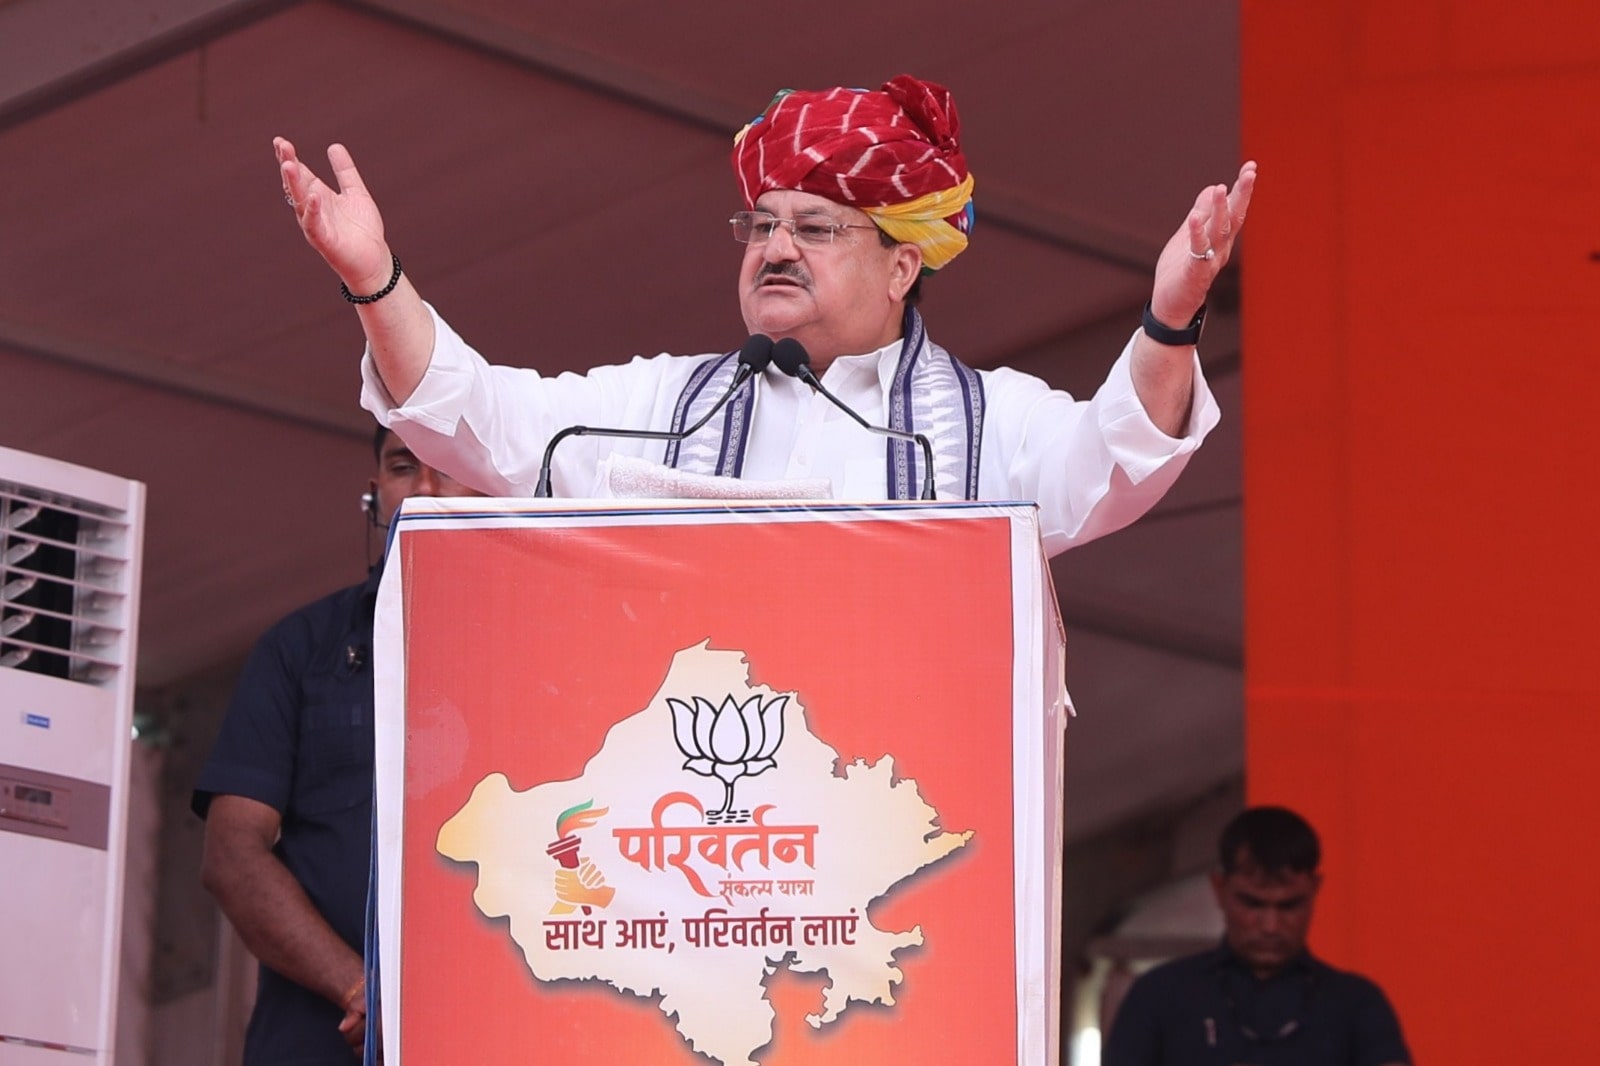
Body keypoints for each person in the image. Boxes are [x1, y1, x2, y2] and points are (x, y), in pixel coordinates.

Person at [273, 75, 1256, 557]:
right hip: (687, 867)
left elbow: (1116, 461)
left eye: (816, 228)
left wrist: (1169, 318)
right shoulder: (663, 400)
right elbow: (465, 413)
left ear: (902, 263)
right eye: (761, 225)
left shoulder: (991, 421)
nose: (775, 247)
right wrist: (374, 279)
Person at [193, 427, 481, 1063]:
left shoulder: (547, 646)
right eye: (404, 467)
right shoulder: (300, 649)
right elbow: (232, 852)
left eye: (449, 467)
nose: (427, 489)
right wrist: (359, 988)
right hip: (317, 1041)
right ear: (375, 498)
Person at [1103, 806, 1412, 1066]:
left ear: (1314, 892)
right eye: (1252, 903)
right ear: (1219, 890)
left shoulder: (1356, 1003)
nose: (1270, 926)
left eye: (1289, 905)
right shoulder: (1160, 995)